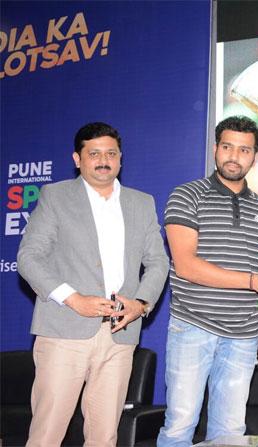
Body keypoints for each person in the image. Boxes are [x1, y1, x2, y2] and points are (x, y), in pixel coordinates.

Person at [17, 122, 169, 447]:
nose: (104, 160)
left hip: (120, 335)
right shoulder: (56, 196)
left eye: (111, 153)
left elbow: (158, 262)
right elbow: (29, 258)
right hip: (63, 331)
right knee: (47, 434)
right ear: (77, 159)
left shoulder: (141, 202)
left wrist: (140, 304)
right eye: (94, 153)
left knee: (105, 437)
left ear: (120, 158)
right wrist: (73, 298)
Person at [157, 116, 258, 446]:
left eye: (244, 149)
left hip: (244, 335)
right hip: (193, 326)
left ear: (255, 157)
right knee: (180, 425)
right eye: (228, 147)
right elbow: (186, 265)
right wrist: (255, 281)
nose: (234, 156)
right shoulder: (186, 195)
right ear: (215, 149)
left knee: (230, 432)